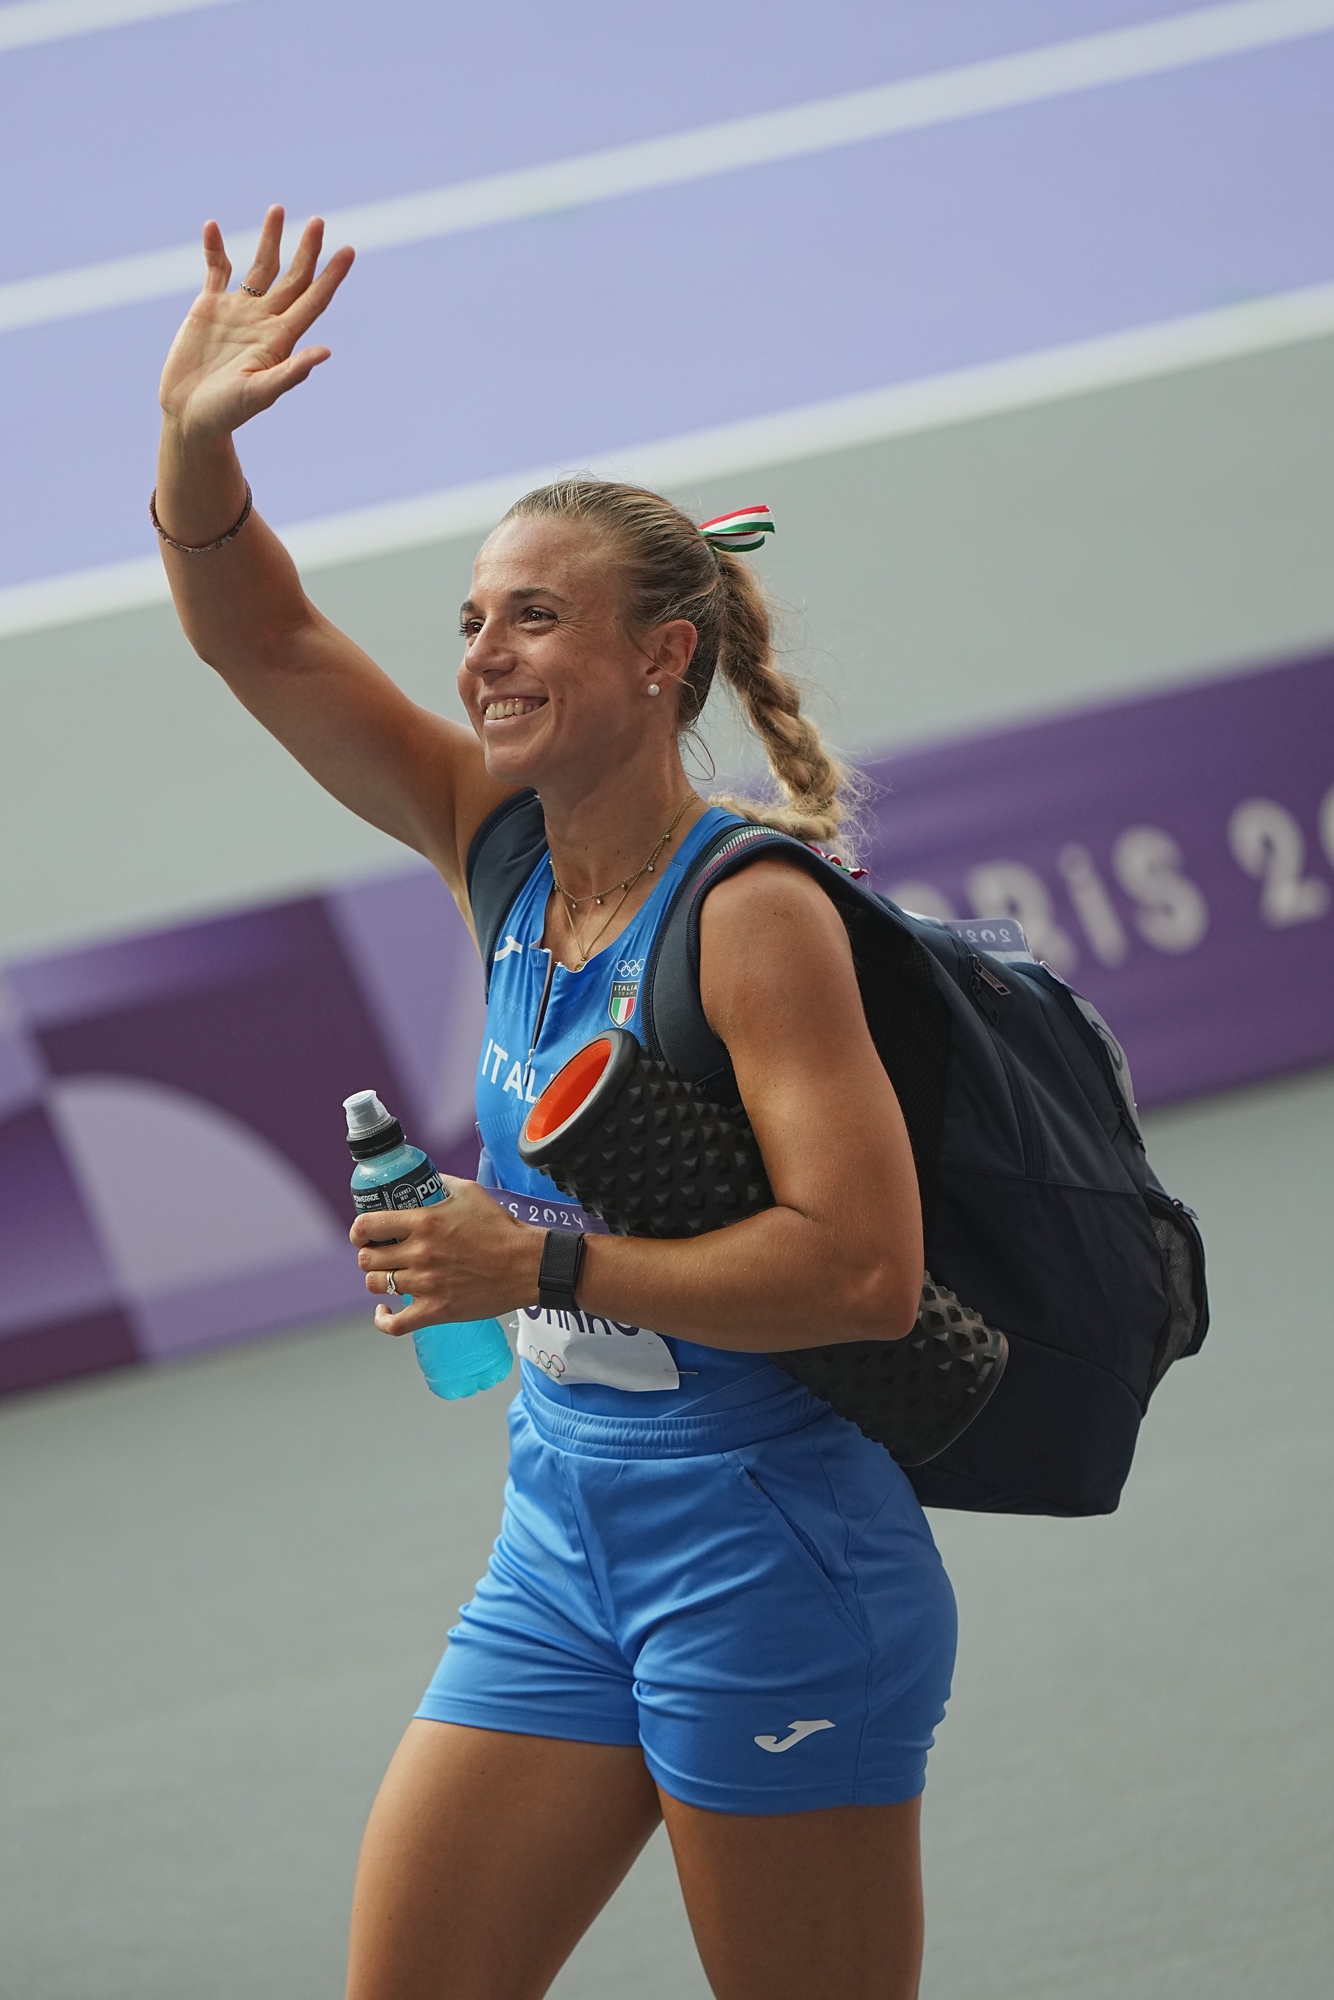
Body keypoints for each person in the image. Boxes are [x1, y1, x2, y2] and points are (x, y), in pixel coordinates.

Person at [154, 206, 957, 2000]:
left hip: (770, 1558)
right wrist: (194, 445)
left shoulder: (749, 917)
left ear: (663, 656)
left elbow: (863, 1277)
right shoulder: (498, 847)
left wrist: (535, 1264)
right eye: (470, 620)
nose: (483, 654)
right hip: (561, 1546)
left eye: (534, 616)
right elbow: (264, 640)